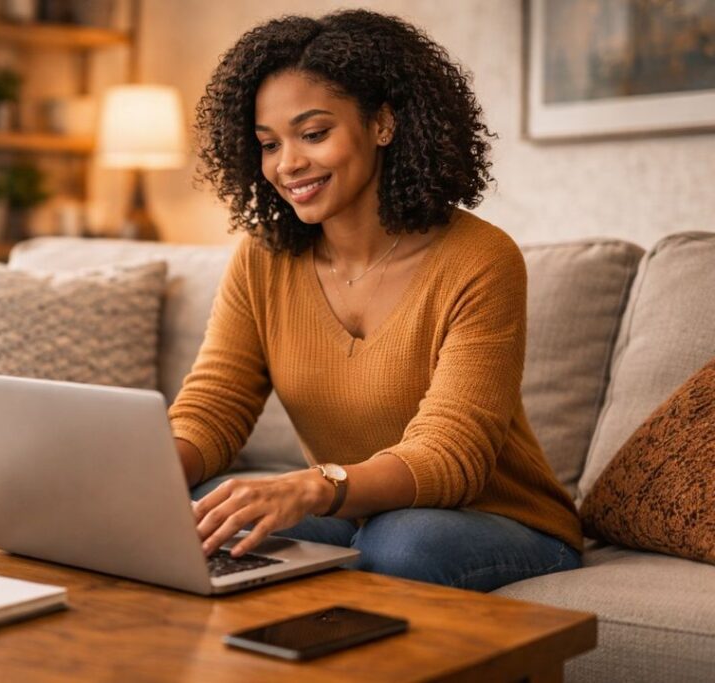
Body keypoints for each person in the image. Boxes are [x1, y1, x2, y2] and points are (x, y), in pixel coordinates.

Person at [167, 9, 583, 592]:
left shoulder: (479, 259)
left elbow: (449, 457)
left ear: (382, 124)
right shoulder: (262, 258)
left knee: (401, 541)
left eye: (314, 134)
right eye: (269, 144)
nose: (287, 165)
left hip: (501, 523)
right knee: (203, 510)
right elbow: (215, 406)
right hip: (361, 514)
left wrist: (314, 485)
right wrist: (144, 477)